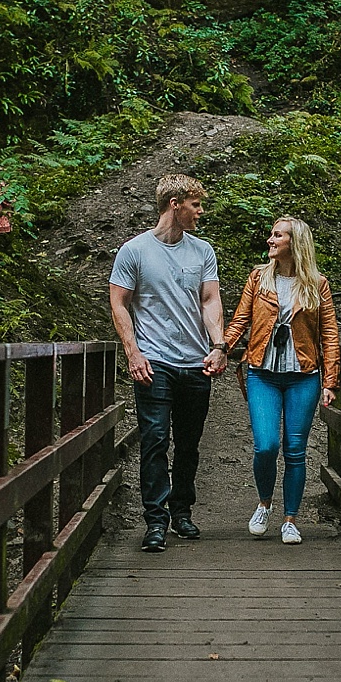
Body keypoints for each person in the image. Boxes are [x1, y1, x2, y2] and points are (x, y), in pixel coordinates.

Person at [109, 174, 229, 553]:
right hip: (155, 360)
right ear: (175, 203)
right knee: (155, 440)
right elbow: (119, 302)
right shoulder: (134, 250)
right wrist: (133, 352)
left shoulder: (202, 251)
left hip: (196, 363)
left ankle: (182, 512)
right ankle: (156, 520)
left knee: (189, 443)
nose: (200, 211)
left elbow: (210, 300)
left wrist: (219, 345)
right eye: (196, 204)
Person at [224, 216, 341, 545]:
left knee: (294, 450)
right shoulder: (258, 278)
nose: (270, 240)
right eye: (272, 235)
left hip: (304, 376)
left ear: (295, 242)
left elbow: (330, 334)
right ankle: (264, 503)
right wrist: (221, 349)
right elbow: (240, 321)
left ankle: (290, 519)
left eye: (278, 235)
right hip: (262, 372)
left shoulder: (317, 284)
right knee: (266, 445)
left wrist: (330, 381)